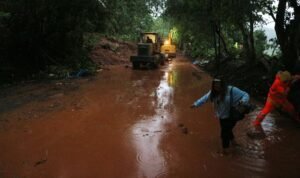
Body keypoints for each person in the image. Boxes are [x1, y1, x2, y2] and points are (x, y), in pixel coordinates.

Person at [191, 78, 250, 155]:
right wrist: (196, 104)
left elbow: (246, 95)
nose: (217, 87)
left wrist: (242, 101)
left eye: (219, 85)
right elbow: (205, 98)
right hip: (222, 116)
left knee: (226, 131)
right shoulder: (213, 93)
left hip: (233, 115)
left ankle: (228, 146)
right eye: (215, 85)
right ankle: (229, 145)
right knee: (226, 131)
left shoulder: (231, 90)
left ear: (223, 84)